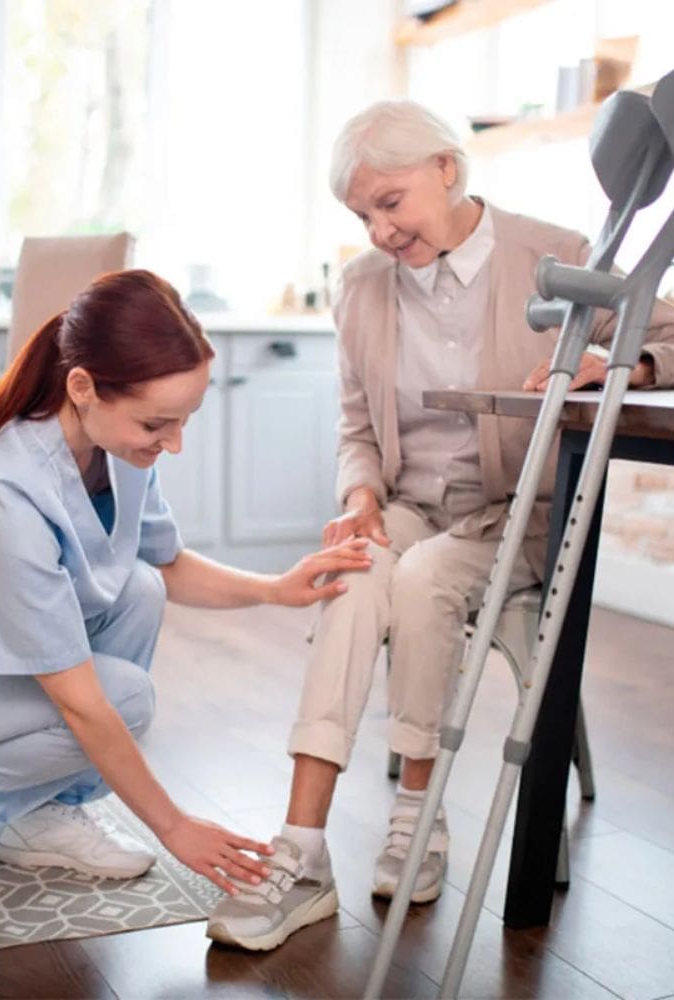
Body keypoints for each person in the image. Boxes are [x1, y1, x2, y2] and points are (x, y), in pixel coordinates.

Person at [206, 99, 674, 951]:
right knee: (354, 574)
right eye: (361, 215)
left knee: (420, 583)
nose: (380, 230)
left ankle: (416, 819)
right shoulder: (361, 288)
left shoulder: (560, 255)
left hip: (520, 515)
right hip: (412, 510)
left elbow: (671, 331)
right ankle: (302, 851)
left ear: (447, 170)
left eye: (390, 203)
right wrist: (359, 503)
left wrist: (627, 360)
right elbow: (357, 428)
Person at [0, 268, 372, 910]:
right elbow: (84, 706)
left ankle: (37, 812)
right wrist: (175, 826)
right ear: (83, 387)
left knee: (139, 590)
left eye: (183, 422)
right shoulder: (5, 488)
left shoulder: (112, 446)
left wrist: (275, 589)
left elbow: (165, 563)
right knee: (123, 699)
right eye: (157, 424)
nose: (173, 444)